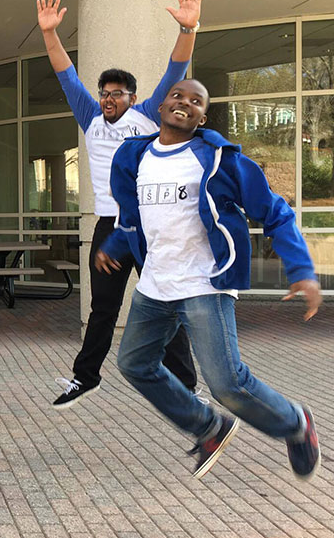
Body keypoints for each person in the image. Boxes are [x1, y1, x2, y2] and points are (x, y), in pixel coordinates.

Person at [97, 78, 322, 479]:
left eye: (196, 101)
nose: (185, 103)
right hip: (155, 284)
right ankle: (208, 426)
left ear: (203, 116)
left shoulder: (221, 160)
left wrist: (302, 270)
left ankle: (296, 425)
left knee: (228, 384)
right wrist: (114, 246)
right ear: (162, 106)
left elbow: (275, 212)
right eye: (177, 96)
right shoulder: (135, 157)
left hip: (205, 283)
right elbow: (132, 217)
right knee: (134, 363)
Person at [37, 0, 203, 409]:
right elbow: (64, 73)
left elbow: (175, 68)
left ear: (133, 97)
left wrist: (188, 28)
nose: (108, 99)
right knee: (103, 308)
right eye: (104, 93)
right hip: (110, 226)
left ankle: (186, 382)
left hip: (149, 226)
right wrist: (50, 33)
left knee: (164, 300)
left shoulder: (149, 115)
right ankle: (85, 377)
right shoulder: (90, 116)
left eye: (117, 94)